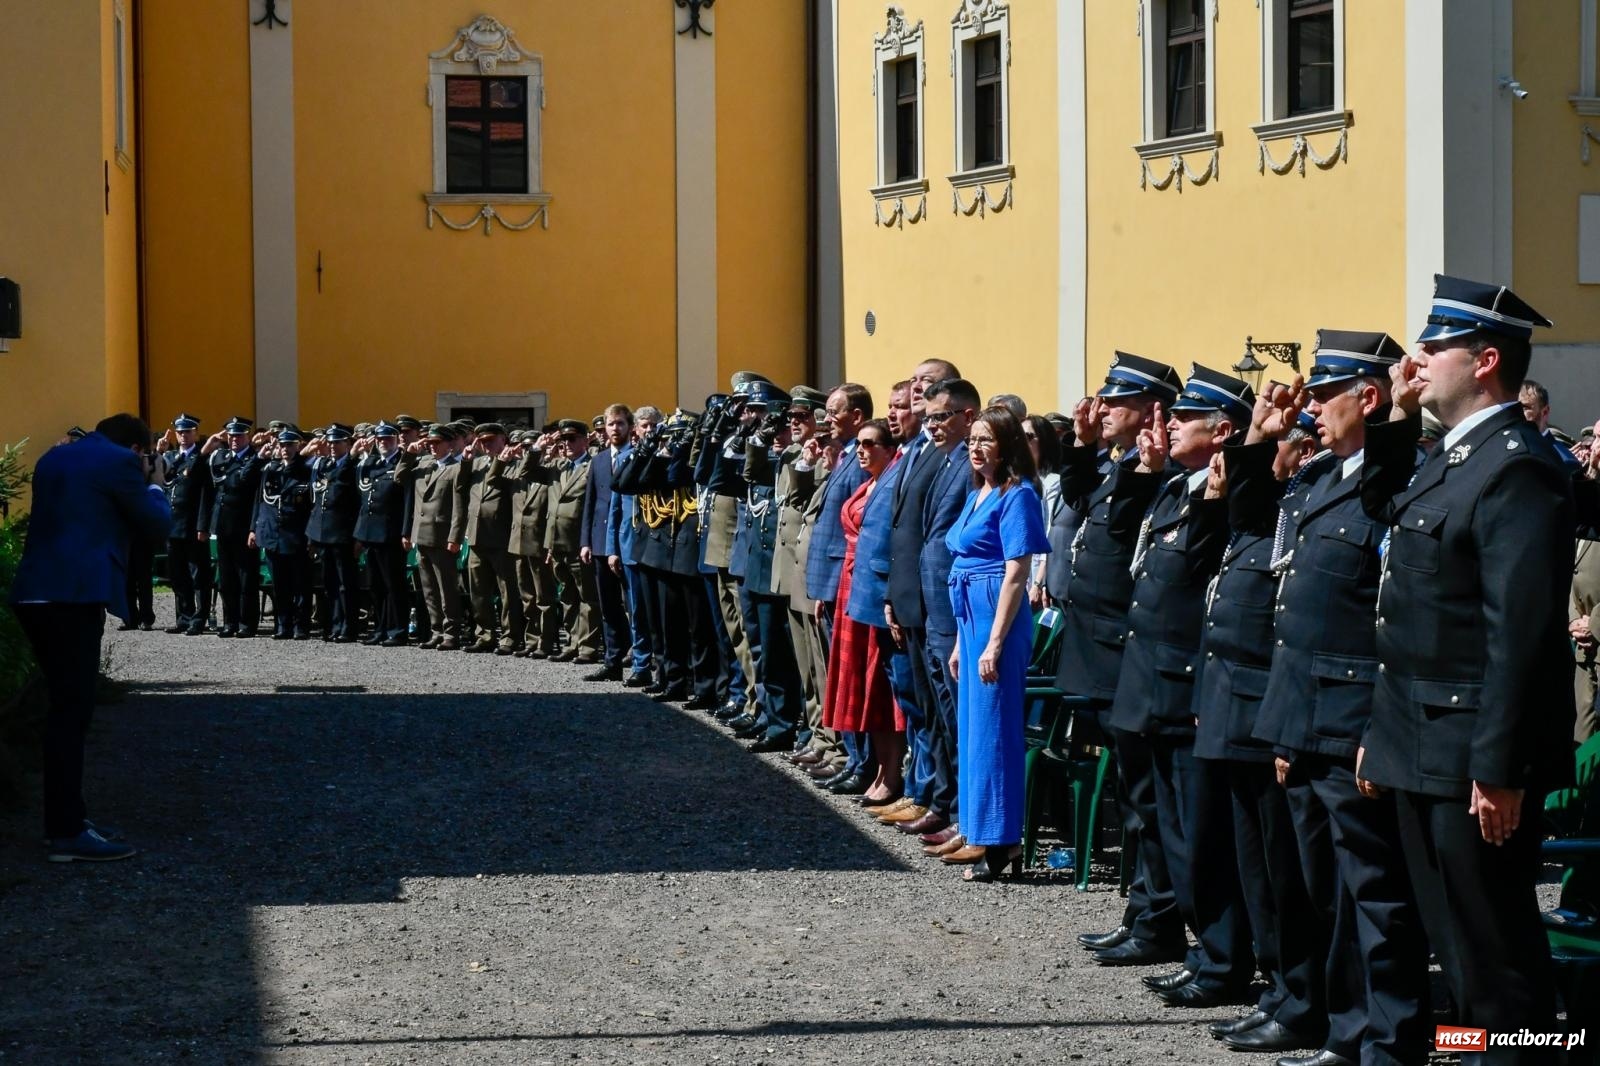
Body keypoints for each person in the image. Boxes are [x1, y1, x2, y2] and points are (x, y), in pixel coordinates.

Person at [1360, 275, 1574, 1063]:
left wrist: (1500, 767)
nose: (1418, 359)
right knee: (1459, 958)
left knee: (1498, 963)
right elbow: (1382, 507)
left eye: (1435, 347)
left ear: (1486, 361)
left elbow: (1516, 637)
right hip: (1421, 743)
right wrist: (1389, 412)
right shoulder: (1453, 458)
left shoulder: (1515, 466)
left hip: (1471, 756)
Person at [1249, 329, 1429, 1066]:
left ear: (1371, 398)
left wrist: (1374, 731)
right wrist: (1286, 731)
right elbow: (1266, 550)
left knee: (1376, 897)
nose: (1312, 409)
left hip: (1354, 718)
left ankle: (1392, 1040)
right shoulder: (1323, 477)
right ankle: (1348, 1032)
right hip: (1305, 714)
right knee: (1328, 891)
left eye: (1327, 396)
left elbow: (1390, 620)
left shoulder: (1394, 482)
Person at [11, 413, 171, 862]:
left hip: (35, 591)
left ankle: (69, 819)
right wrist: (154, 484)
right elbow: (155, 525)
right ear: (138, 449)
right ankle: (65, 832)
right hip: (73, 595)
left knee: (63, 707)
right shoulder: (121, 463)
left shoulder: (54, 457)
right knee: (71, 713)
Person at [940, 406, 1049, 881]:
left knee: (995, 730)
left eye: (986, 440)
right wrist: (965, 642)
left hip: (996, 617)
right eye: (972, 441)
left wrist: (993, 643)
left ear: (1006, 445)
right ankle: (977, 828)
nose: (976, 448)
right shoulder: (978, 492)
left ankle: (1002, 840)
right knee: (971, 728)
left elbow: (1016, 572)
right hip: (972, 617)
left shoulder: (1017, 494)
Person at [915, 378, 978, 854]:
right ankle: (952, 805)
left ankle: (964, 815)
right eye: (929, 417)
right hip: (932, 604)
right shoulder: (944, 459)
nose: (932, 425)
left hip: (953, 608)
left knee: (959, 716)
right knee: (941, 714)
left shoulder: (969, 464)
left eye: (941, 417)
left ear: (968, 415)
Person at [821, 418, 899, 800]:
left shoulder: (891, 480)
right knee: (857, 681)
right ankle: (866, 764)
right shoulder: (869, 482)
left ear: (888, 448)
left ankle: (888, 773)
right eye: (861, 443)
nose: (862, 450)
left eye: (871, 444)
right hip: (852, 584)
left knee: (879, 686)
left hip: (871, 586)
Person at [398, 423, 467, 650]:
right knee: (428, 589)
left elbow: (459, 507)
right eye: (430, 443)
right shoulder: (423, 464)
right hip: (422, 534)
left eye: (437, 443)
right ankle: (436, 630)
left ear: (449, 444)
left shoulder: (456, 468)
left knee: (447, 588)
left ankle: (451, 633)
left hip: (441, 535)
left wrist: (455, 537)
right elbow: (399, 478)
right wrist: (409, 454)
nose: (432, 447)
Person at [580, 405, 635, 681]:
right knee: (609, 606)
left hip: (629, 543)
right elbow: (589, 503)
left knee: (634, 606)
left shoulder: (636, 457)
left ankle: (639, 662)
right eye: (611, 424)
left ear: (630, 427)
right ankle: (613, 660)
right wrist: (585, 542)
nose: (615, 429)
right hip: (601, 542)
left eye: (620, 424)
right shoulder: (599, 460)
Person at [200, 417, 267, 637]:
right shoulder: (221, 456)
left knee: (246, 578)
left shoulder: (254, 458)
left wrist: (253, 528)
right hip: (222, 525)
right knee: (226, 579)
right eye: (231, 436)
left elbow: (247, 488)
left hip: (242, 525)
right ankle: (230, 621)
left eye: (238, 435)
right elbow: (210, 488)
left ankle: (247, 623)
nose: (234, 439)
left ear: (247, 436)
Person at [354, 422, 412, 646]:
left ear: (396, 440)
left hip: (391, 533)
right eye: (379, 440)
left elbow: (407, 501)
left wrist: (406, 531)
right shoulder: (372, 463)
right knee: (375, 586)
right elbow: (362, 494)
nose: (383, 443)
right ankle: (379, 628)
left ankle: (397, 630)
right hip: (370, 533)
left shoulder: (402, 463)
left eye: (387, 439)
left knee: (393, 586)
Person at [253, 428, 314, 640]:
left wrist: (310, 537)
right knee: (279, 585)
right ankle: (283, 624)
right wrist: (254, 529)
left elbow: (310, 507)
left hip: (295, 536)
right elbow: (259, 501)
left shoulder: (304, 471)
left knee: (300, 585)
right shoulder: (270, 469)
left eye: (289, 445)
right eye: (282, 445)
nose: (285, 449)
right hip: (272, 534)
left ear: (298, 445)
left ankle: (301, 626)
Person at [156, 414, 214, 635]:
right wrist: (160, 452)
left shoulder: (201, 459)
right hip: (173, 525)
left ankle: (199, 618)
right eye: (180, 432)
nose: (183, 436)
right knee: (178, 575)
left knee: (198, 575)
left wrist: (203, 526)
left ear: (195, 434)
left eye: (188, 432)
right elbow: (156, 477)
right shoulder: (170, 457)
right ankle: (183, 617)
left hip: (192, 526)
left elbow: (204, 496)